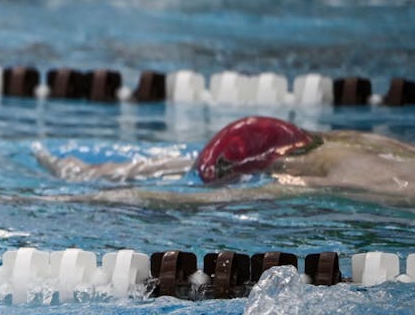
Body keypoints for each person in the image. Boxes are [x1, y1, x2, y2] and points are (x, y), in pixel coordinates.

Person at [35, 115, 415, 207]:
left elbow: (216, 199)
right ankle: (89, 172)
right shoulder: (350, 141)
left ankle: (89, 176)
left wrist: (101, 199)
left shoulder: (315, 179)